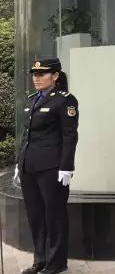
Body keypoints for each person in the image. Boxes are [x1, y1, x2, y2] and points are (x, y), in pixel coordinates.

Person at [15, 58, 78, 274]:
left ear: (55, 76)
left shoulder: (64, 100)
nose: (37, 78)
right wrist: (19, 163)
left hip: (52, 168)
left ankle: (56, 262)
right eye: (35, 74)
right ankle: (40, 259)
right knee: (36, 216)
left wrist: (67, 166)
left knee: (54, 216)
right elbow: (27, 135)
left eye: (41, 74)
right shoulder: (31, 100)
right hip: (29, 167)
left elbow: (70, 136)